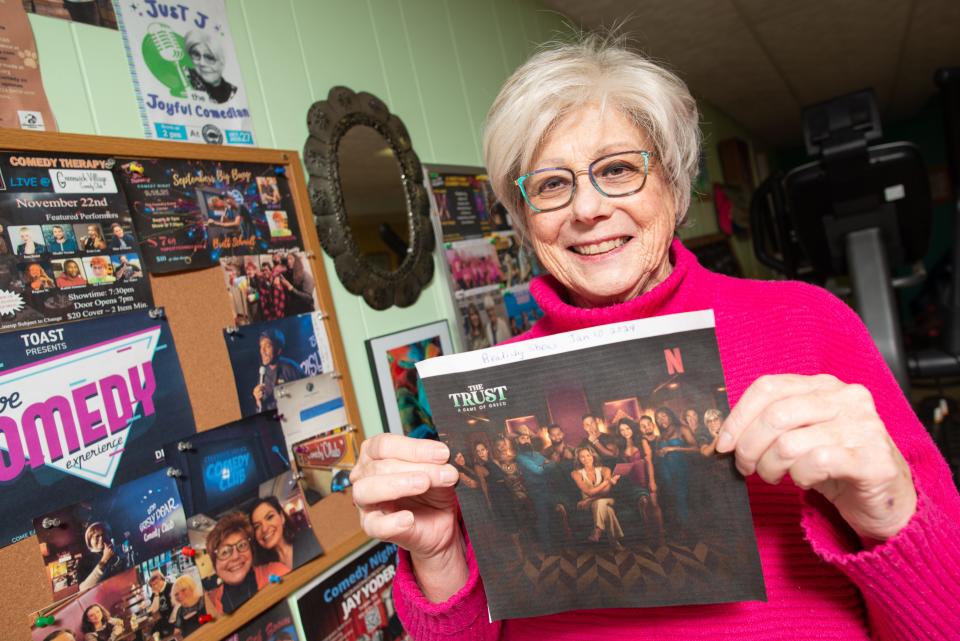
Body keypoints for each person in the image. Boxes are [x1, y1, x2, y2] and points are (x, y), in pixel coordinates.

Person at [349, 34, 960, 640]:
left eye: (617, 169)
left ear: (673, 183)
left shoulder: (807, 322)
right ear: (524, 214)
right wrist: (438, 557)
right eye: (552, 184)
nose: (586, 209)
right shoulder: (492, 382)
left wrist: (889, 510)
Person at [205, 512, 288, 615]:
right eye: (225, 552)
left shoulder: (277, 572)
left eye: (242, 545)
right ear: (215, 565)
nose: (235, 556)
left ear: (251, 551)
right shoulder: (210, 604)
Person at [570, 446, 624, 551]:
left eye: (588, 455)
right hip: (591, 505)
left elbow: (606, 491)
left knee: (601, 502)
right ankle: (614, 542)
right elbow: (588, 492)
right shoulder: (575, 473)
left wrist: (589, 499)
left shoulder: (605, 469)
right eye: (582, 457)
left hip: (605, 500)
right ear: (578, 459)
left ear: (593, 456)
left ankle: (597, 530)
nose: (586, 459)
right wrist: (607, 481)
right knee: (607, 510)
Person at [654, 406, 698, 529]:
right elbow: (657, 456)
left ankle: (690, 530)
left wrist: (673, 448)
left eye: (663, 416)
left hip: (682, 470)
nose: (661, 419)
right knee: (672, 500)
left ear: (670, 416)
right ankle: (682, 529)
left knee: (682, 498)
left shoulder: (682, 429)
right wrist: (659, 453)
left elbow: (696, 448)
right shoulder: (660, 436)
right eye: (657, 418)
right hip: (666, 473)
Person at [250, 495, 321, 570]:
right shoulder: (262, 570)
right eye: (257, 526)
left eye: (269, 517)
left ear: (282, 517)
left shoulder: (310, 538)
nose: (264, 529)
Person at [252, 328, 305, 412]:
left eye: (267, 346)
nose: (262, 351)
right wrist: (258, 401)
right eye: (261, 346)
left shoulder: (289, 368)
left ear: (278, 350)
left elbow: (306, 393)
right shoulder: (263, 374)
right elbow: (261, 409)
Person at [184, 29, 236, 104]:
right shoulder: (184, 79)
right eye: (196, 54)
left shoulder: (233, 92)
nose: (201, 63)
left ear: (222, 62)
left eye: (210, 57)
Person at [77, 522, 123, 590]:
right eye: (97, 536)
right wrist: (104, 559)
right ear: (89, 541)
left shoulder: (117, 550)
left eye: (104, 534)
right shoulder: (85, 561)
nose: (101, 538)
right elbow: (83, 588)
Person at [280, 252, 315, 316]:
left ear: (297, 262)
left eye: (290, 259)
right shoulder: (288, 276)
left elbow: (308, 298)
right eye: (287, 259)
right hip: (292, 313)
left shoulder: (305, 276)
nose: (288, 261)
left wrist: (291, 288)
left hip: (305, 313)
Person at [145, 570, 175, 638]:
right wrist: (156, 595)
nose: (155, 586)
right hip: (162, 620)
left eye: (156, 582)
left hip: (171, 620)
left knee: (156, 634)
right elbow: (153, 610)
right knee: (151, 634)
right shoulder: (155, 593)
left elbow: (176, 607)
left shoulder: (171, 587)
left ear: (162, 579)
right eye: (152, 585)